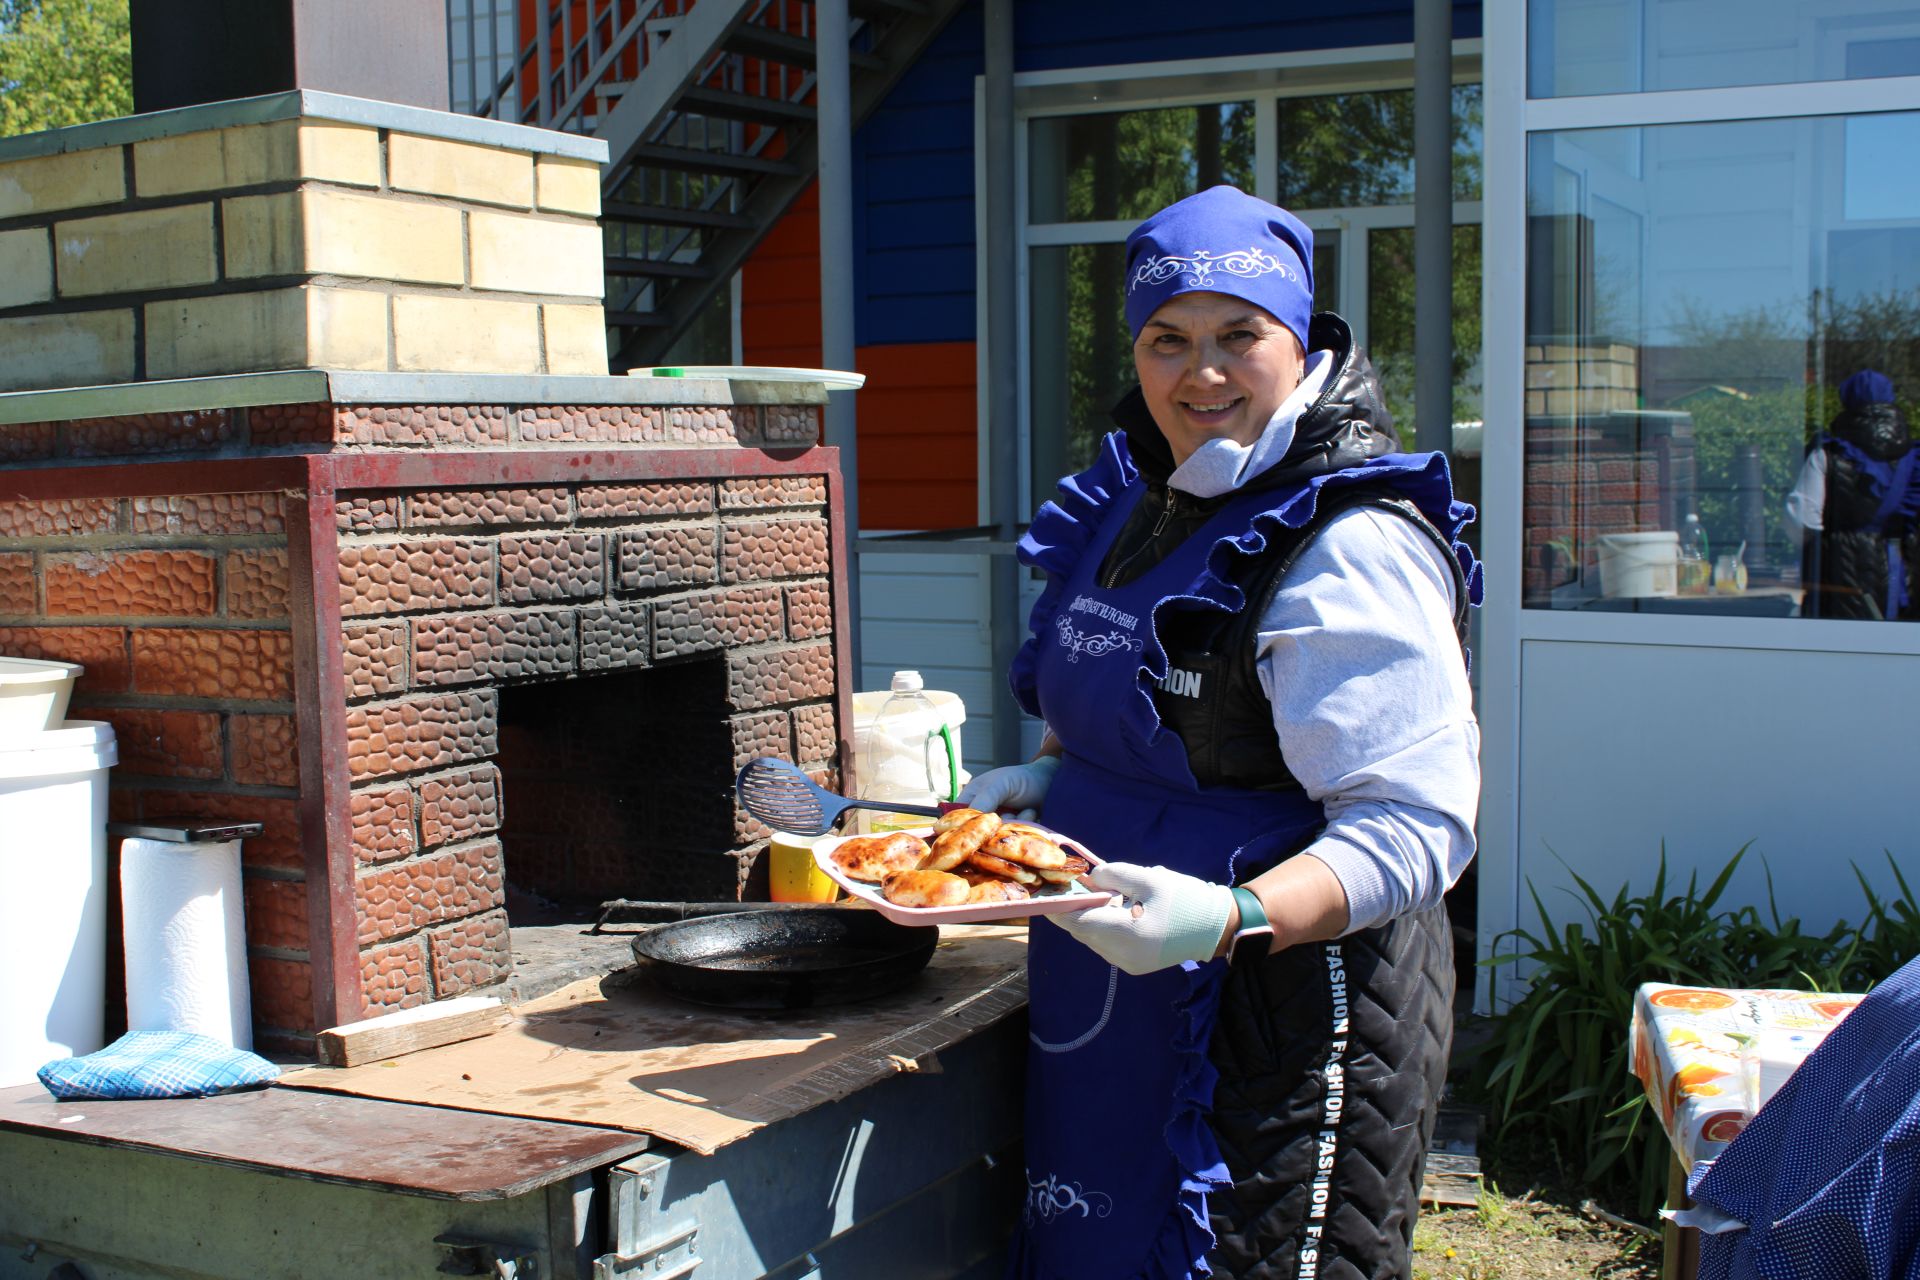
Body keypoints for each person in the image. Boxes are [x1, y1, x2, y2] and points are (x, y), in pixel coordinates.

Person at [957, 185, 1482, 1280]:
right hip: (1111, 978)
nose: (1202, 372)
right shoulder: (1144, 493)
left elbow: (1418, 825)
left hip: (1282, 1005)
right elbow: (1151, 697)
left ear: (1299, 342)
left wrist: (1233, 914)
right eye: (1168, 339)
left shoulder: (1352, 541)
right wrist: (1049, 778)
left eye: (1239, 334)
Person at [1784, 369, 1920, 620]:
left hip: (1839, 578)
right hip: (1901, 578)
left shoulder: (1827, 453)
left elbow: (1802, 518)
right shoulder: (1914, 458)